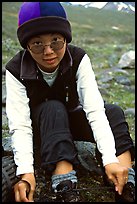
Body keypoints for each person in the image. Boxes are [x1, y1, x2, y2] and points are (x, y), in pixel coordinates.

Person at [5, 2, 135, 202]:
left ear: (65, 38)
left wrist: (109, 159)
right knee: (53, 107)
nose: (48, 51)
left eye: (55, 41)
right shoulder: (15, 69)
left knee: (113, 112)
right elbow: (20, 125)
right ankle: (64, 180)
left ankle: (123, 178)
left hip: (71, 121)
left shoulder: (78, 58)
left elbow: (94, 110)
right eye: (37, 44)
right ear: (26, 45)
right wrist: (26, 173)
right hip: (43, 131)